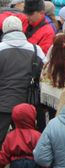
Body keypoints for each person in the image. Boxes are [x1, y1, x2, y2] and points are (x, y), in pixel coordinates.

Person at [0, 16, 44, 147]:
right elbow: (45, 73)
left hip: (2, 102)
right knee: (27, 141)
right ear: (21, 29)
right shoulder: (36, 49)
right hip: (28, 103)